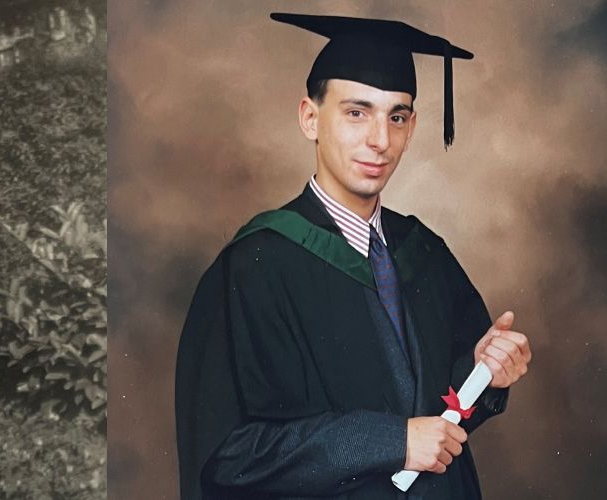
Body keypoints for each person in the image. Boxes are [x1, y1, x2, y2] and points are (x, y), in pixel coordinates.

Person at [175, 13, 533, 500]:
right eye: (356, 113)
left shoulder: (424, 253)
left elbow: (451, 412)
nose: (380, 141)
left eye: (397, 116)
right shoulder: (252, 267)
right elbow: (227, 456)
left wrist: (484, 370)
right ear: (309, 118)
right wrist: (391, 441)